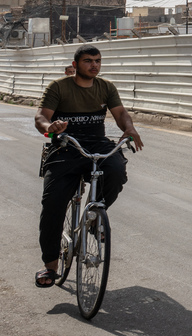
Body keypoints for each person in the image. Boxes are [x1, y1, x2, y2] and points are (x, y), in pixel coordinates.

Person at [33, 44, 144, 288]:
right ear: (75, 65)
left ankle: (94, 217)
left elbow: (120, 112)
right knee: (53, 204)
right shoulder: (58, 87)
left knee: (115, 171)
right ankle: (50, 266)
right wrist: (50, 128)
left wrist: (129, 127)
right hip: (65, 145)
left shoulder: (105, 87)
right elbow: (41, 117)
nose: (94, 65)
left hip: (96, 142)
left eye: (97, 60)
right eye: (87, 61)